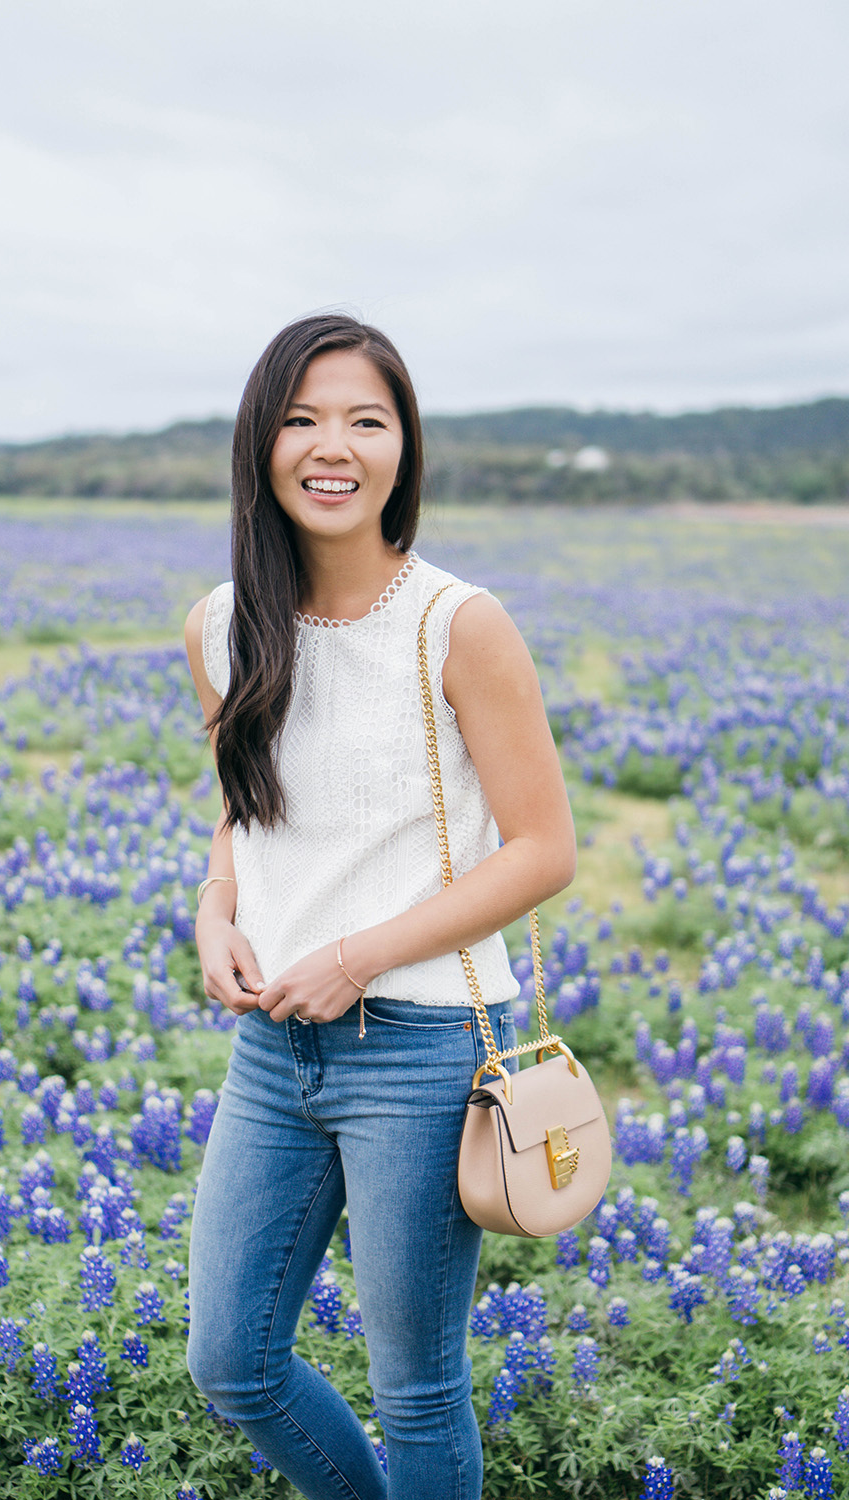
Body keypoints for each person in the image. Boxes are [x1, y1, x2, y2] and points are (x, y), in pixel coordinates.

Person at [184, 312, 576, 1500]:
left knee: (416, 1389)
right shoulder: (220, 624)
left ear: (403, 445)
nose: (331, 445)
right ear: (262, 443)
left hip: (421, 1047)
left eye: (365, 418)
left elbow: (544, 849)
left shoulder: (456, 623)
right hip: (272, 1048)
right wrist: (213, 907)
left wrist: (357, 956)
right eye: (301, 419)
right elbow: (244, 812)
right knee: (232, 1361)